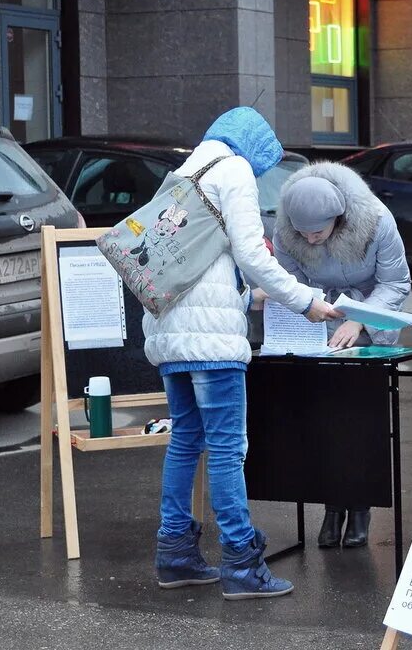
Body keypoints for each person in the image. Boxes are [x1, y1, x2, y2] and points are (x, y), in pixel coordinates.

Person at [143, 107, 339, 600]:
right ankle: (240, 564)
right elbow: (253, 255)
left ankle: (175, 555)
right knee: (228, 449)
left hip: (169, 331)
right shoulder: (233, 173)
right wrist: (304, 301)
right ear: (252, 152)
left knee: (186, 439)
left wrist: (249, 296)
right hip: (212, 340)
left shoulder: (181, 174)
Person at [263, 161, 411, 549]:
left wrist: (359, 320)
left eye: (319, 232)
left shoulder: (377, 220)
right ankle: (332, 505)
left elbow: (396, 282)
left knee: (363, 419)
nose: (310, 240)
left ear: (339, 219)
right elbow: (288, 282)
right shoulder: (288, 231)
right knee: (323, 420)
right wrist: (309, 313)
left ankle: (360, 506)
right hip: (319, 325)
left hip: (371, 323)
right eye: (303, 233)